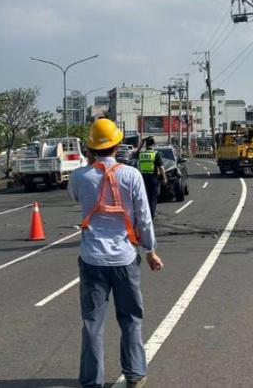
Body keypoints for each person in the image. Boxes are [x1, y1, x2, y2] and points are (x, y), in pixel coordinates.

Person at [68, 118, 164, 388]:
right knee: (131, 318)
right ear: (118, 144)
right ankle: (134, 374)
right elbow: (144, 217)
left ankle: (91, 382)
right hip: (125, 258)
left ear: (90, 148)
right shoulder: (131, 175)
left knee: (92, 324)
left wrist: (90, 166)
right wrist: (150, 251)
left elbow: (73, 197)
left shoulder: (79, 177)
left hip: (92, 259)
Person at [132, 136, 167, 220]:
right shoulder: (155, 154)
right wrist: (164, 178)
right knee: (153, 198)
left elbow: (135, 153)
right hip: (153, 178)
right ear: (154, 144)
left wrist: (141, 143)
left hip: (143, 178)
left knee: (145, 197)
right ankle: (150, 216)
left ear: (146, 144)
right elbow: (161, 168)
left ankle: (144, 215)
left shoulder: (142, 154)